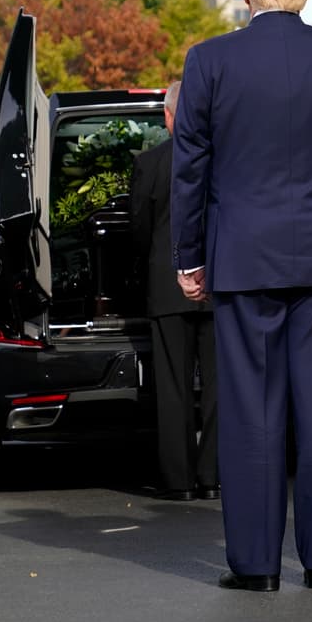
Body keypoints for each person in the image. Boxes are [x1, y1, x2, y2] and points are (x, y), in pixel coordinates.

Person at [170, 0, 312, 593]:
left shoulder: (209, 61)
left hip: (243, 254)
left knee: (252, 411)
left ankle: (257, 565)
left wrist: (189, 254)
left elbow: (190, 168)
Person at [130, 79, 218, 502]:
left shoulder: (150, 163)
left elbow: (140, 230)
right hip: (220, 288)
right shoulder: (223, 160)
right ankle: (213, 476)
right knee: (221, 387)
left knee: (173, 385)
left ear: (168, 117)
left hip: (168, 287)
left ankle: (178, 479)